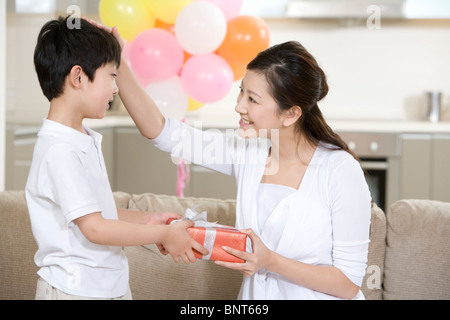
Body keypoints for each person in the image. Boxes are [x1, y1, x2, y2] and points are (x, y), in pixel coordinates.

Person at [91, 20, 372, 300]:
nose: (239, 106)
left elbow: (347, 284)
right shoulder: (249, 153)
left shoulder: (339, 170)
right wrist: (119, 63)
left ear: (291, 114)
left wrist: (270, 261)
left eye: (252, 99)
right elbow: (163, 132)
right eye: (241, 92)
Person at [26, 16, 208, 300]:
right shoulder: (59, 150)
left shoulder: (80, 137)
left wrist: (149, 221)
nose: (116, 87)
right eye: (112, 75)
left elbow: (94, 212)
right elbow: (96, 228)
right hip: (74, 291)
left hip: (106, 287)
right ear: (78, 77)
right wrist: (164, 236)